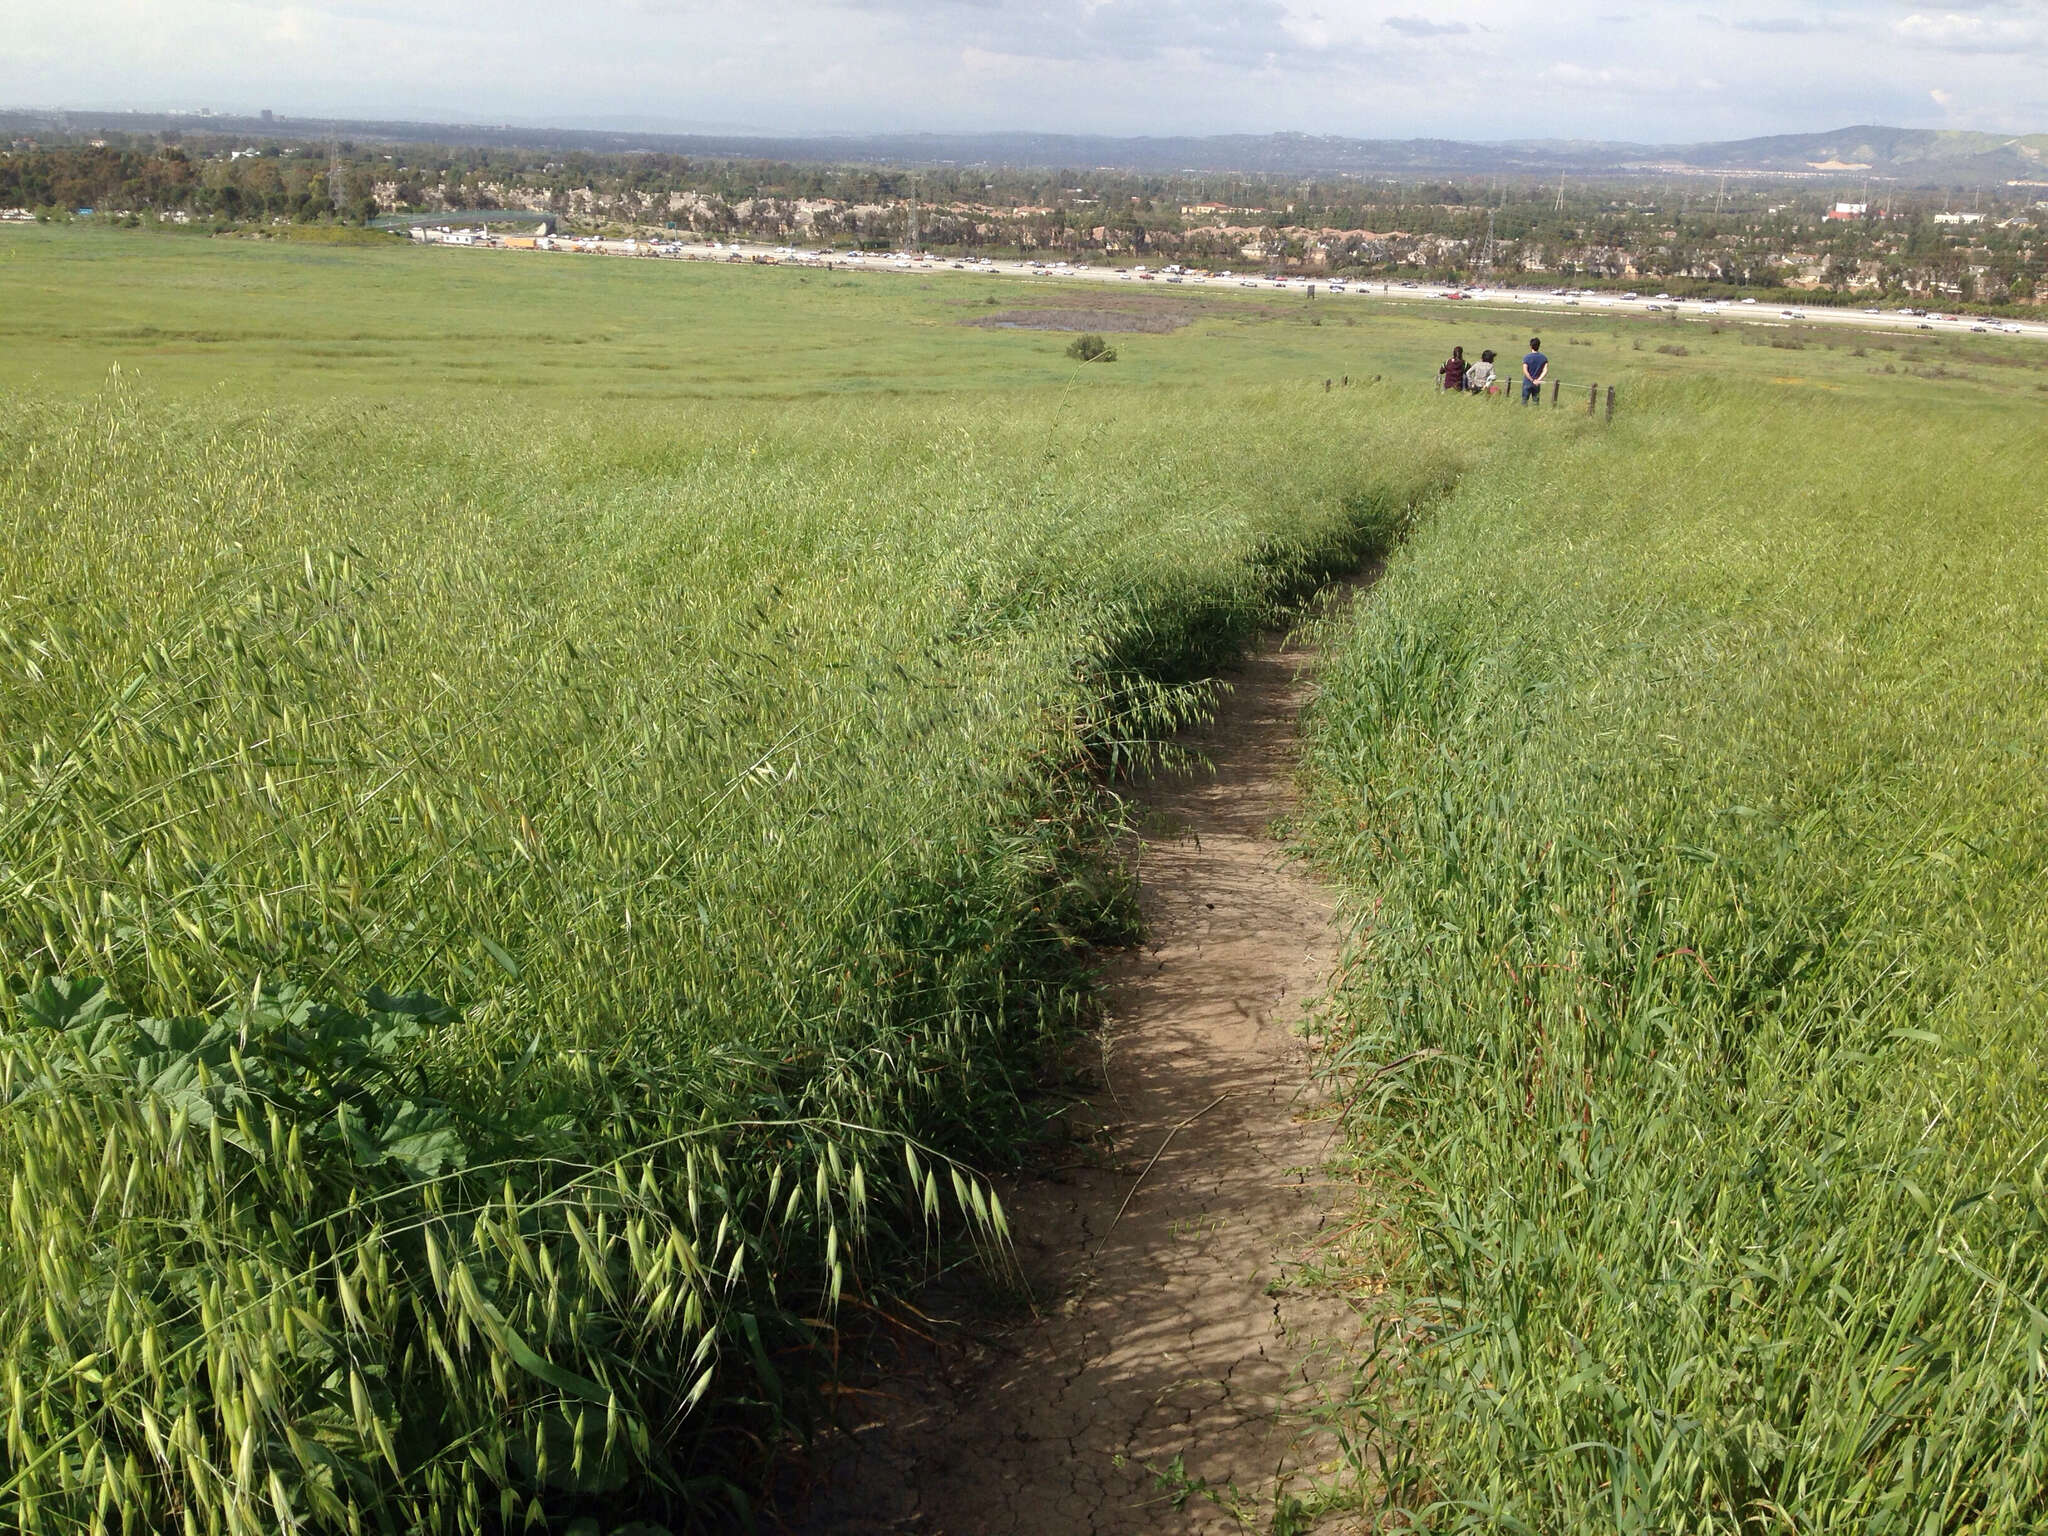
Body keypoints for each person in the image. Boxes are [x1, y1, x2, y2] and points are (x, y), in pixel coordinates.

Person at [1521, 337, 1549, 403]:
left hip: (1527, 382)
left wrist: (1532, 380)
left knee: (1524, 401)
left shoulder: (1526, 357)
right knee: (1536, 402)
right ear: (1539, 346)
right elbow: (1545, 370)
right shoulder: (1544, 358)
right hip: (1537, 383)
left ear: (1531, 346)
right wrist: (1538, 379)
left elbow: (1525, 371)